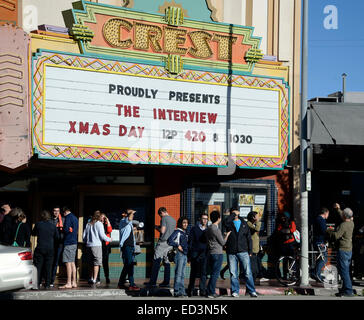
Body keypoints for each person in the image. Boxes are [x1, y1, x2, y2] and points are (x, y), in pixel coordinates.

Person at [225, 208, 258, 298]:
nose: (235, 214)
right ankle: (235, 291)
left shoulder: (244, 223)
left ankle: (252, 291)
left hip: (243, 251)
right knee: (233, 273)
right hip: (231, 252)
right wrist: (232, 215)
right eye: (233, 213)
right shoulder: (229, 223)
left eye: (237, 213)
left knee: (248, 272)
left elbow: (249, 238)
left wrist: (250, 251)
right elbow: (226, 222)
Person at [327, 207, 355, 297]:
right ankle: (344, 289)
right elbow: (345, 215)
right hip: (349, 249)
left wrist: (329, 230)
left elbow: (336, 236)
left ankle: (348, 290)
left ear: (344, 216)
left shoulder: (343, 225)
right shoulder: (351, 223)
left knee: (344, 271)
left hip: (342, 250)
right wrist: (338, 209)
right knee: (345, 270)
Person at [146, 207, 176, 288]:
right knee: (167, 263)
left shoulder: (164, 218)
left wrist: (156, 227)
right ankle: (166, 282)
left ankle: (152, 282)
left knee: (156, 261)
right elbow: (169, 230)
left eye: (160, 215)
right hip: (170, 244)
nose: (160, 217)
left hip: (162, 243)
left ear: (162, 212)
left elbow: (162, 231)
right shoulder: (173, 220)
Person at [205, 210, 231, 298]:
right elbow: (223, 242)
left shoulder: (209, 228)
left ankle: (209, 290)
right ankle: (211, 292)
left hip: (211, 252)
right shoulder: (216, 229)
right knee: (215, 274)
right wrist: (227, 235)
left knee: (212, 273)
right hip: (217, 252)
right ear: (219, 218)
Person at [83, 210, 112, 286]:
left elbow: (84, 236)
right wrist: (109, 239)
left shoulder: (88, 224)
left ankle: (90, 278)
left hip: (88, 245)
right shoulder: (99, 224)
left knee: (90, 263)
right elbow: (102, 236)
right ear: (99, 217)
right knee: (96, 263)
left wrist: (86, 242)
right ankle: (94, 279)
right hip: (96, 246)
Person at [32, 210, 59, 289]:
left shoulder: (38, 224)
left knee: (38, 267)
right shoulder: (53, 226)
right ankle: (47, 284)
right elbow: (57, 237)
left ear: (42, 217)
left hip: (40, 247)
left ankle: (37, 284)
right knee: (48, 267)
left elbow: (33, 233)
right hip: (50, 248)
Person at [118, 209, 140, 291]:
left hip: (131, 246)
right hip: (126, 246)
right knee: (130, 265)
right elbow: (129, 219)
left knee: (127, 265)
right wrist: (131, 212)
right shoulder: (123, 221)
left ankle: (120, 283)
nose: (133, 215)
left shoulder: (129, 222)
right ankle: (132, 284)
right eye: (131, 214)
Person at [187, 213, 208, 297]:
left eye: (206, 219)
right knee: (193, 272)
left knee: (203, 273)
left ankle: (202, 290)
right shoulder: (194, 229)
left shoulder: (208, 229)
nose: (205, 220)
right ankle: (190, 290)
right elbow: (190, 242)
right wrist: (189, 255)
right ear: (200, 219)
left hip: (204, 254)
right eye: (203, 218)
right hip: (195, 253)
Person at [168, 217, 189, 297]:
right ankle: (176, 291)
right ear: (180, 223)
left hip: (184, 255)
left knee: (182, 274)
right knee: (179, 273)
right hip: (179, 254)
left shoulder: (184, 232)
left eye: (186, 223)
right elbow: (170, 240)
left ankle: (182, 291)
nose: (185, 224)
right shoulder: (177, 231)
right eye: (184, 222)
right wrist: (177, 245)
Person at [59, 206, 78, 289]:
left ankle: (68, 283)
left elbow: (66, 230)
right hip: (74, 242)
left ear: (65, 211)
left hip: (68, 242)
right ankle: (74, 282)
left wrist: (61, 228)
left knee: (68, 263)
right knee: (72, 263)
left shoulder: (68, 218)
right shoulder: (75, 218)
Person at [312, 207, 330, 282]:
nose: (328, 216)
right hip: (320, 241)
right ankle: (317, 274)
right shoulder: (321, 220)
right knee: (324, 259)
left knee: (320, 258)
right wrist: (329, 230)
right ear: (325, 213)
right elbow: (323, 231)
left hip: (317, 240)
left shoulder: (317, 219)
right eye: (328, 214)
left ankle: (314, 272)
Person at [50, 205, 65, 287]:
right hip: (50, 243)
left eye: (57, 211)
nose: (56, 212)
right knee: (49, 262)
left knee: (55, 262)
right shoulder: (49, 220)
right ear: (52, 212)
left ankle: (52, 280)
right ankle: (47, 278)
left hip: (59, 244)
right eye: (55, 210)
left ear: (59, 212)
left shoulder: (63, 220)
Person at [247, 211, 263, 284]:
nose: (258, 217)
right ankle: (250, 287)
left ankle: (251, 287)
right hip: (251, 251)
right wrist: (258, 222)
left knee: (256, 270)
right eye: (257, 216)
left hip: (256, 251)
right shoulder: (249, 224)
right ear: (253, 217)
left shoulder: (253, 224)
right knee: (254, 271)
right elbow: (257, 229)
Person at [96, 212, 112, 284]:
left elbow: (109, 230)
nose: (102, 218)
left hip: (106, 245)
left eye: (104, 217)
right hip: (99, 244)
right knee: (98, 262)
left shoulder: (106, 224)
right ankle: (98, 278)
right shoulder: (98, 224)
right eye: (101, 217)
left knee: (105, 263)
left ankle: (107, 277)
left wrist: (107, 221)